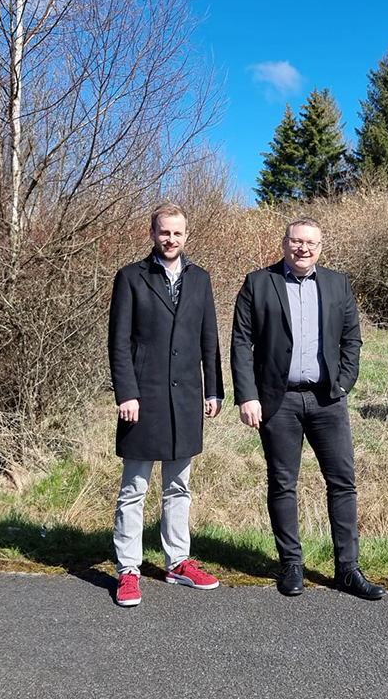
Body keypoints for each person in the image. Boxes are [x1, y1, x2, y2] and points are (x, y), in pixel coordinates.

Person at [230, 217, 385, 600]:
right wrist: (247, 396)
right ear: (284, 243)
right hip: (277, 401)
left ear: (321, 246)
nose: (303, 249)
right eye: (296, 241)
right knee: (283, 484)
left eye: (310, 243)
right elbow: (240, 343)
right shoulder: (258, 283)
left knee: (343, 483)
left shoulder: (337, 284)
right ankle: (291, 565)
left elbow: (352, 340)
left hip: (327, 399)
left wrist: (344, 383)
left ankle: (347, 569)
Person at [107, 203, 223, 607]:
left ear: (186, 235)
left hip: (187, 397)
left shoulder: (201, 279)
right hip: (143, 398)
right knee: (134, 489)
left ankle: (177, 563)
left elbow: (209, 338)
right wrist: (127, 392)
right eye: (163, 232)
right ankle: (128, 570)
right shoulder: (131, 278)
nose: (170, 239)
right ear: (152, 234)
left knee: (179, 486)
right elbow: (119, 342)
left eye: (177, 233)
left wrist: (214, 390)